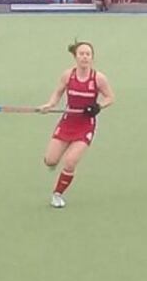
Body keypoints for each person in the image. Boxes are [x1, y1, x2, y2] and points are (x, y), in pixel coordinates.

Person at [37, 41, 115, 208]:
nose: (85, 57)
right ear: (76, 56)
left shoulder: (98, 79)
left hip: (85, 124)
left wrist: (98, 106)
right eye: (81, 54)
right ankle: (52, 162)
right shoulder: (67, 75)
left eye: (88, 54)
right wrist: (49, 105)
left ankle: (57, 194)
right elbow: (57, 93)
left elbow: (110, 97)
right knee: (50, 161)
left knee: (71, 161)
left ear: (92, 58)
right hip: (68, 121)